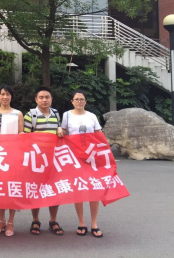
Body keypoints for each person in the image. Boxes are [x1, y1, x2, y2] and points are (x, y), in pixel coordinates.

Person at [58, 90, 104, 238]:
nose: (79, 101)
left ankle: (94, 223)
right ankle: (81, 222)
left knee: (94, 189)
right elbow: (63, 132)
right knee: (79, 189)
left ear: (85, 101)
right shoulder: (67, 115)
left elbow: (99, 135)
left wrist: (104, 155)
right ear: (72, 101)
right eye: (76, 99)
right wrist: (59, 129)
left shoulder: (92, 116)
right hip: (75, 158)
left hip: (91, 157)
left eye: (82, 99)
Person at [23, 86, 64, 236]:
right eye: (41, 97)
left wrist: (60, 129)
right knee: (36, 190)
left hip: (54, 159)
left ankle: (53, 220)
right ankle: (35, 220)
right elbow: (25, 138)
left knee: (55, 190)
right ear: (36, 99)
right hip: (37, 160)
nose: (44, 100)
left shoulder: (56, 114)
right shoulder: (30, 115)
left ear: (51, 99)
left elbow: (60, 132)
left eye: (47, 97)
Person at [0, 85, 24, 237]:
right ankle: (1, 220)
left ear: (11, 97)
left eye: (8, 94)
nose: (5, 97)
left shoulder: (18, 114)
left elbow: (21, 133)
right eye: (2, 94)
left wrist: (21, 136)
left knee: (12, 188)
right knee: (0, 189)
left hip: (13, 156)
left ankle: (11, 221)